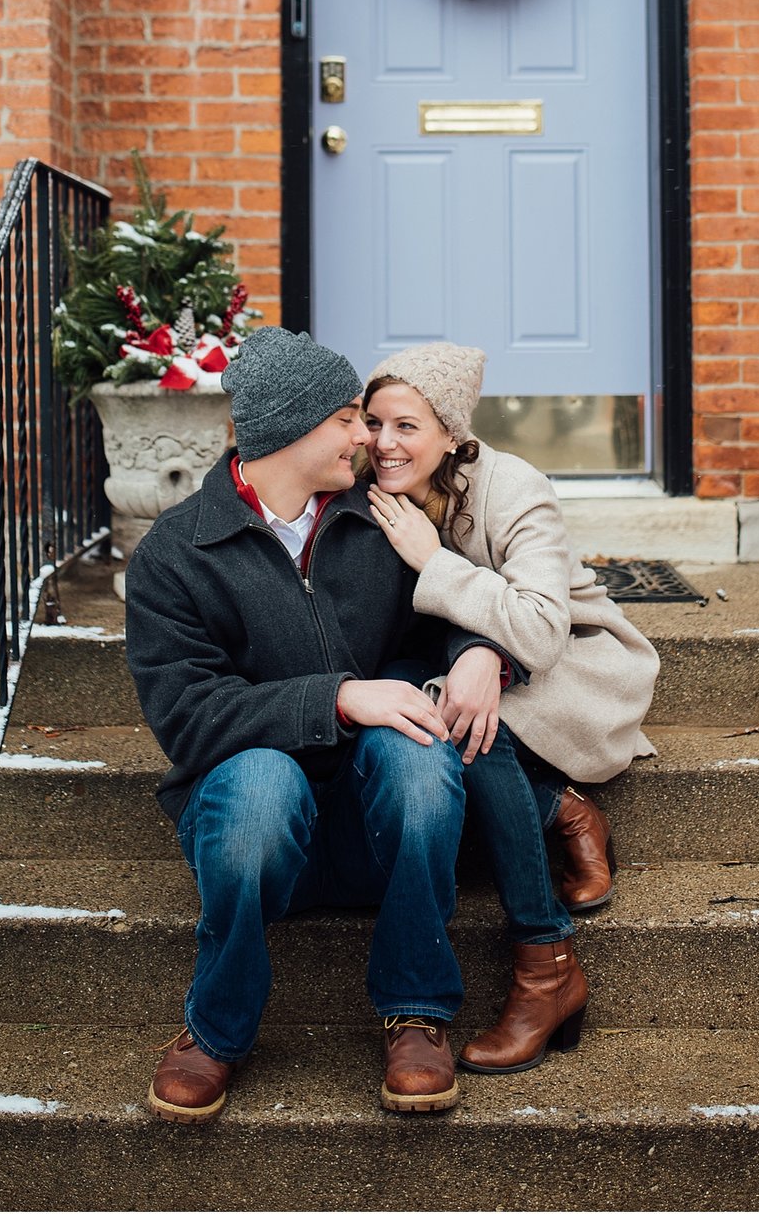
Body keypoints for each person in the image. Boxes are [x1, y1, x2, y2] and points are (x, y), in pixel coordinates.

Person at [125, 327, 515, 1123]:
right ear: (290, 428)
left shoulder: (383, 519)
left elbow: (446, 614)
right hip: (258, 836)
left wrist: (479, 651)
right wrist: (338, 697)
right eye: (347, 418)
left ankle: (417, 1013)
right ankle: (218, 1029)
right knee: (261, 779)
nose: (367, 436)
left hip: (378, 831)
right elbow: (189, 718)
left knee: (418, 755)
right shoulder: (176, 555)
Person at [361, 343, 660, 1076]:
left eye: (406, 427)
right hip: (446, 668)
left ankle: (545, 961)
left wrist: (440, 574)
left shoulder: (515, 487)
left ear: (452, 435)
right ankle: (559, 805)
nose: (383, 443)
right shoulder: (370, 492)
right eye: (373, 422)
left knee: (471, 727)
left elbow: (537, 628)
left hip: (570, 666)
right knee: (443, 717)